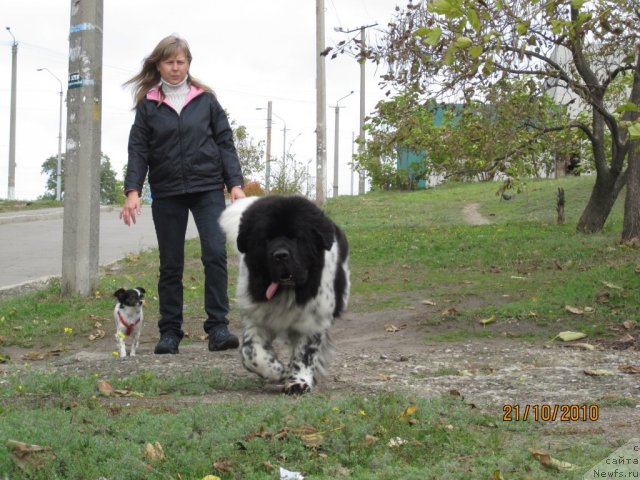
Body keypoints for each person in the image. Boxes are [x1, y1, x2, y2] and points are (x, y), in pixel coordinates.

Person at [120, 35, 245, 355]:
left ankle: (218, 328)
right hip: (168, 192)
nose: (176, 68)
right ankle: (170, 333)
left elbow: (224, 143)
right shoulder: (148, 105)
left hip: (207, 189)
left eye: (181, 62)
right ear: (158, 64)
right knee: (171, 264)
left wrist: (235, 184)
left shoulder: (206, 100)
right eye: (169, 62)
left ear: (189, 64)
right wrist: (133, 190)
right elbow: (138, 149)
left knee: (215, 254)